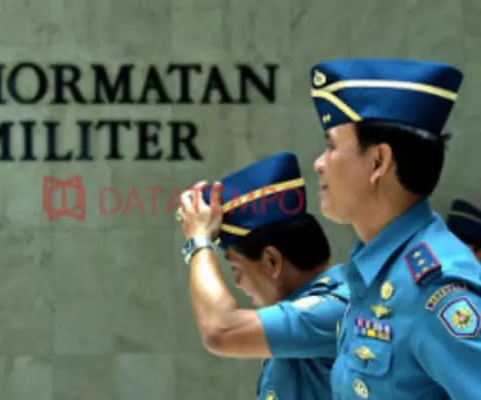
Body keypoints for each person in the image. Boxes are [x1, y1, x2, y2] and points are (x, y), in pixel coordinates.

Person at [309, 58, 481, 399]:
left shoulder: (435, 291)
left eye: (331, 146)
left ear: (378, 161)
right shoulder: (377, 273)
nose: (318, 163)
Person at [175, 151, 349, 400]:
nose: (237, 283)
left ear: (271, 261)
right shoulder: (299, 310)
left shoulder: (334, 309)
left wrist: (199, 243)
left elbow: (220, 330)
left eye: (236, 269)